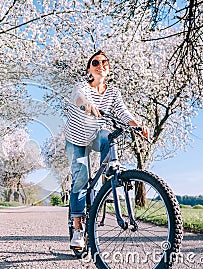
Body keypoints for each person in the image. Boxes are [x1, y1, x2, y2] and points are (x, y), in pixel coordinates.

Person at [64, 50, 149, 249]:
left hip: (95, 135)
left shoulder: (113, 92)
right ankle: (77, 229)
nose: (101, 65)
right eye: (96, 62)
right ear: (89, 69)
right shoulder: (82, 86)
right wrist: (85, 104)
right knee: (81, 177)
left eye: (105, 62)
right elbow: (78, 96)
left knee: (107, 135)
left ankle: (109, 179)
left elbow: (122, 111)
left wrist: (137, 126)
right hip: (76, 139)